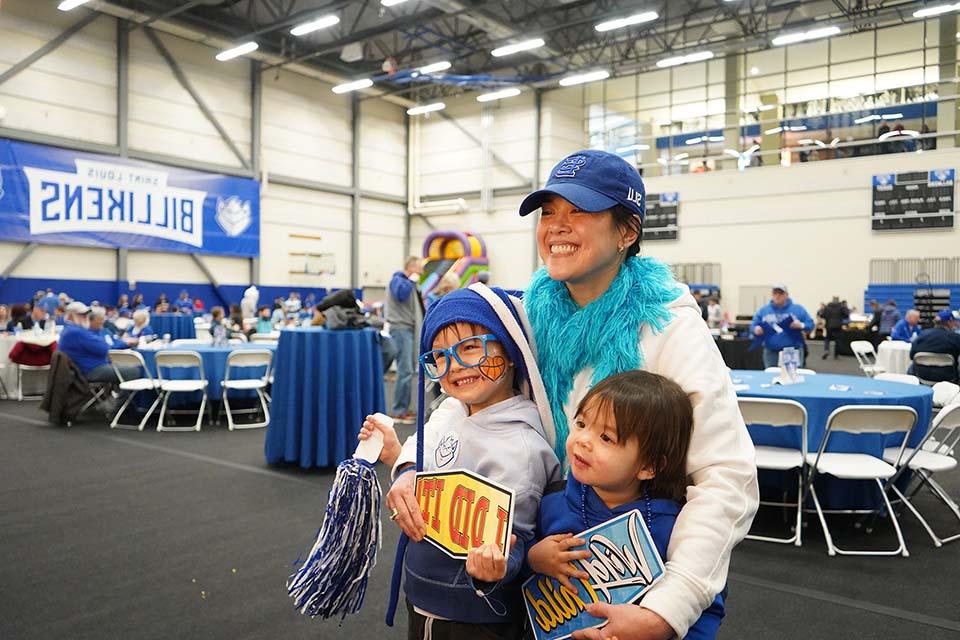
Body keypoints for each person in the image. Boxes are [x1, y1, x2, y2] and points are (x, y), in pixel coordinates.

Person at [383, 150, 754, 640]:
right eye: (549, 212)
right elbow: (465, 396)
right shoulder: (530, 315)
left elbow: (726, 476)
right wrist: (411, 466)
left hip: (643, 570)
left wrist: (669, 607)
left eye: (579, 211)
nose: (557, 226)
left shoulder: (669, 327)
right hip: (545, 567)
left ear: (628, 232)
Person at [362, 284, 560, 638]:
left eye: (470, 348)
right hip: (421, 598)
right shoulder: (453, 409)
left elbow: (517, 542)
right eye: (439, 356)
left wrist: (498, 566)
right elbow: (428, 448)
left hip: (474, 617)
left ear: (510, 350)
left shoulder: (523, 449)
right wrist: (400, 461)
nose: (453, 365)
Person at [529, 370, 724, 640]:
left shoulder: (672, 526)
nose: (583, 440)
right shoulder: (552, 501)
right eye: (582, 424)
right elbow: (520, 583)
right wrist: (534, 558)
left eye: (606, 438)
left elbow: (706, 606)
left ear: (648, 466)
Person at [386, 256, 424, 423]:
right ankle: (398, 411)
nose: (422, 271)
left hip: (407, 329)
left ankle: (403, 408)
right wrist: (411, 280)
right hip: (401, 329)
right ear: (412, 267)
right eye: (419, 268)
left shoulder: (407, 283)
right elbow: (401, 295)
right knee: (405, 371)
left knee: (407, 371)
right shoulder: (397, 280)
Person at [59, 302, 137, 383]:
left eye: (86, 315)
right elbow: (104, 348)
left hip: (87, 369)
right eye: (82, 315)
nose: (86, 317)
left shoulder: (70, 330)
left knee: (127, 368)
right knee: (136, 370)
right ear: (71, 316)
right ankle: (125, 396)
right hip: (90, 370)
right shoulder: (76, 331)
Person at [751, 285, 815, 368]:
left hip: (791, 350)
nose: (777, 296)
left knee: (791, 378)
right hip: (771, 351)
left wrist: (801, 325)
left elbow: (810, 324)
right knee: (771, 376)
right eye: (775, 293)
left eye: (780, 293)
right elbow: (754, 324)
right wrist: (755, 329)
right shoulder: (764, 310)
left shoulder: (798, 309)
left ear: (786, 295)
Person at [909, 309, 960, 383]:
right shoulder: (955, 338)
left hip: (922, 376)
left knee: (911, 366)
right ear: (950, 322)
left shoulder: (922, 335)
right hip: (947, 378)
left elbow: (911, 356)